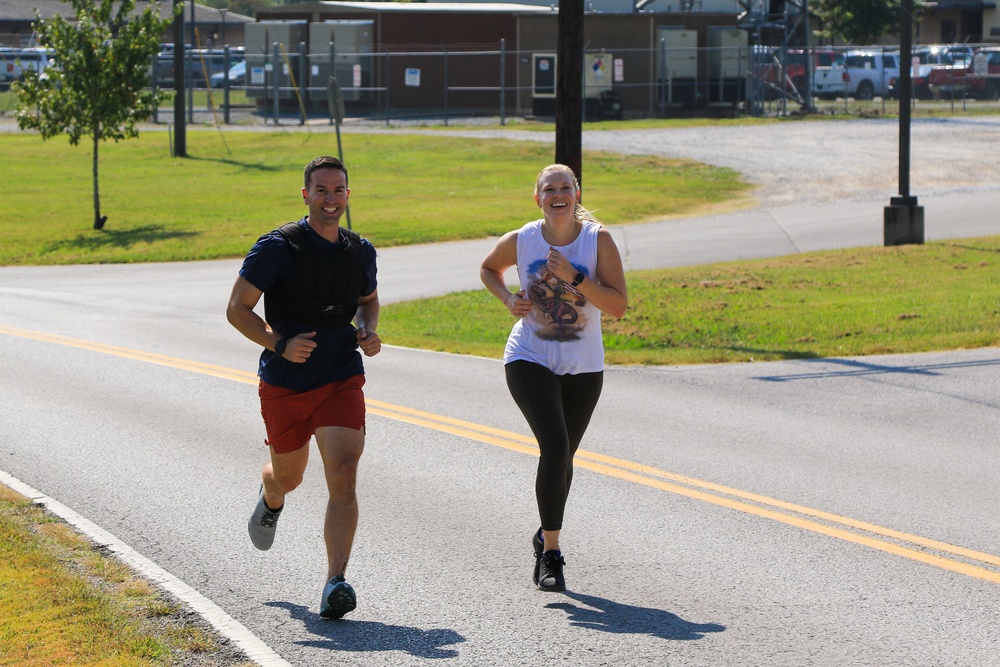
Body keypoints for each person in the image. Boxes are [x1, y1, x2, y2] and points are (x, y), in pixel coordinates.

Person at [226, 155, 381, 620]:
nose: (330, 199)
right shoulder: (278, 247)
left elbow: (368, 302)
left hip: (340, 376)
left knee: (344, 474)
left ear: (348, 196)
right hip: (287, 382)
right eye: (321, 190)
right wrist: (279, 344)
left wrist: (367, 330)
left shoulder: (359, 250)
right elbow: (237, 308)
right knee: (289, 476)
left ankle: (336, 581)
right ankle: (271, 496)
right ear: (306, 194)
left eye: (338, 191)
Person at [480, 163, 628, 592]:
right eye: (550, 189)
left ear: (577, 194)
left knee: (564, 459)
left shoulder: (598, 240)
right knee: (556, 446)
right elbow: (489, 269)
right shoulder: (524, 239)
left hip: (583, 366)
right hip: (530, 357)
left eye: (566, 187)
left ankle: (544, 530)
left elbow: (618, 306)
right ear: (538, 197)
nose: (558, 194)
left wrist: (574, 277)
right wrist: (508, 299)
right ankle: (552, 554)